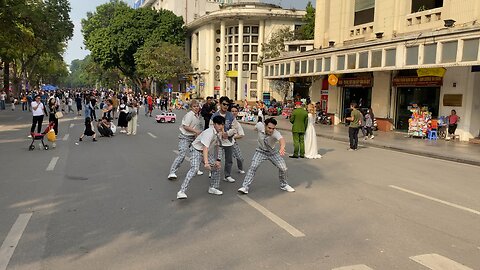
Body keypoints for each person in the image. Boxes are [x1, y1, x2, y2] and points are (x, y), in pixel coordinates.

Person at [238, 118, 295, 194]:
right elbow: (255, 127)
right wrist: (255, 129)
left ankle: (284, 185)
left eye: (273, 128)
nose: (271, 130)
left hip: (272, 152)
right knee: (253, 166)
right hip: (260, 151)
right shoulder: (259, 125)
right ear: (265, 126)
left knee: (283, 168)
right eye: (269, 128)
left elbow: (282, 140)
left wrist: (282, 147)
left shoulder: (275, 133)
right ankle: (245, 187)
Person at [176, 115, 225, 199]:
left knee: (216, 167)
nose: (221, 127)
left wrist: (218, 160)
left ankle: (213, 187)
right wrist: (206, 163)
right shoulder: (209, 132)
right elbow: (205, 148)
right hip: (196, 150)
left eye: (222, 125)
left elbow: (219, 146)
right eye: (219, 124)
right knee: (194, 169)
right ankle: (181, 191)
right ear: (214, 124)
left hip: (205, 152)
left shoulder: (218, 134)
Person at [168, 100, 203, 180]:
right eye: (194, 106)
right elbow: (185, 126)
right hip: (185, 137)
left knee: (197, 153)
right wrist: (196, 131)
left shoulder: (197, 115)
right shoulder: (189, 115)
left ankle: (195, 169)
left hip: (193, 137)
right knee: (182, 154)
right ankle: (172, 172)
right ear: (191, 107)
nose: (196, 108)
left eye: (197, 106)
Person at [211, 96, 237, 183]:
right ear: (220, 104)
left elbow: (234, 128)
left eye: (227, 105)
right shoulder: (215, 116)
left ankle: (227, 175)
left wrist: (228, 133)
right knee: (217, 159)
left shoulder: (231, 115)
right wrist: (220, 134)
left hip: (229, 141)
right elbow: (211, 128)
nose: (226, 106)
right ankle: (214, 174)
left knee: (229, 160)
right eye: (224, 104)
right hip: (218, 142)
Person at [230, 105, 246, 174]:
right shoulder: (224, 121)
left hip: (232, 142)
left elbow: (241, 134)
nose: (234, 113)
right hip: (222, 142)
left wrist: (233, 137)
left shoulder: (237, 123)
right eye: (232, 111)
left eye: (236, 111)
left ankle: (240, 168)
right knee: (218, 158)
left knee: (240, 157)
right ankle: (212, 170)